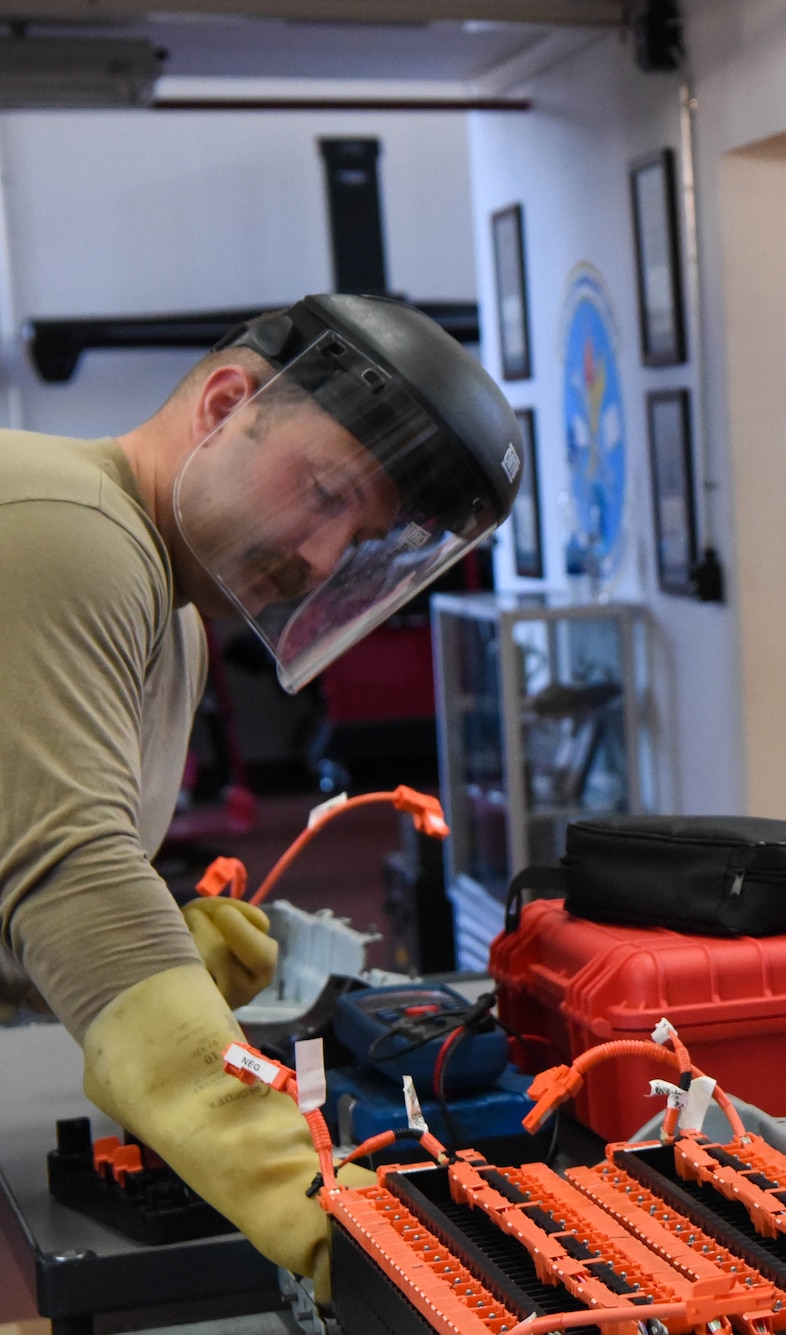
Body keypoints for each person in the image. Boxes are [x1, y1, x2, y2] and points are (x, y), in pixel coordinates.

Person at [0, 294, 521, 1296]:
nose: (323, 557)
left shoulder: (179, 620)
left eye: (358, 538)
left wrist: (162, 950)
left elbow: (24, 870)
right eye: (325, 493)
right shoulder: (70, 531)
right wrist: (329, 1219)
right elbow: (72, 884)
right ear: (226, 402)